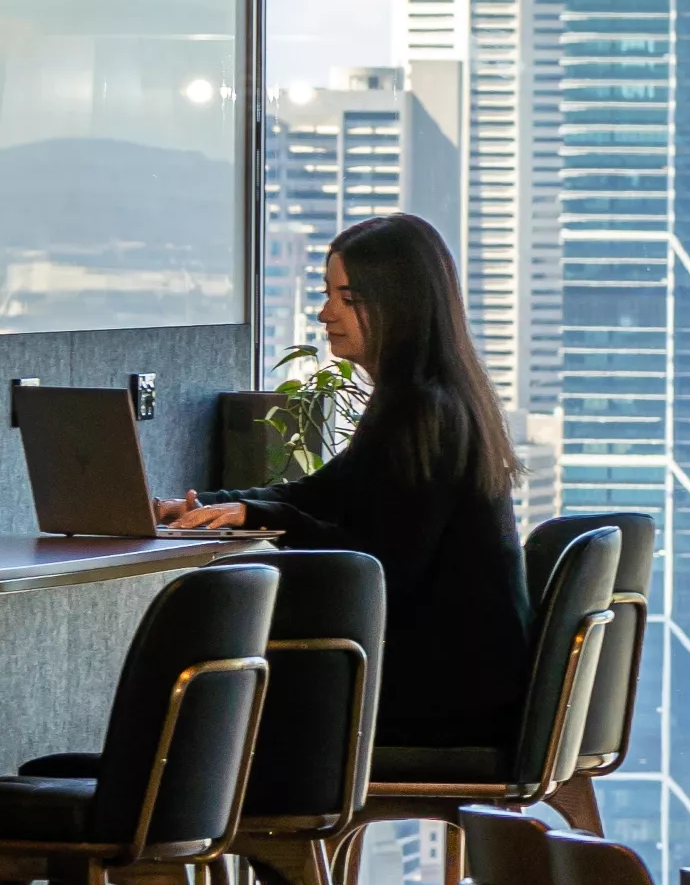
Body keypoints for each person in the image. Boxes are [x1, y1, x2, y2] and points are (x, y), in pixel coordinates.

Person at [159, 214, 532, 750]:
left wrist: (271, 518)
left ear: (398, 306)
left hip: (449, 700)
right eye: (328, 293)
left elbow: (381, 564)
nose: (324, 312)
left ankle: (169, 817)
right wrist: (210, 506)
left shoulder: (423, 413)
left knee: (216, 697)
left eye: (346, 298)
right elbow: (316, 494)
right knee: (222, 701)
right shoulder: (423, 399)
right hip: (465, 687)